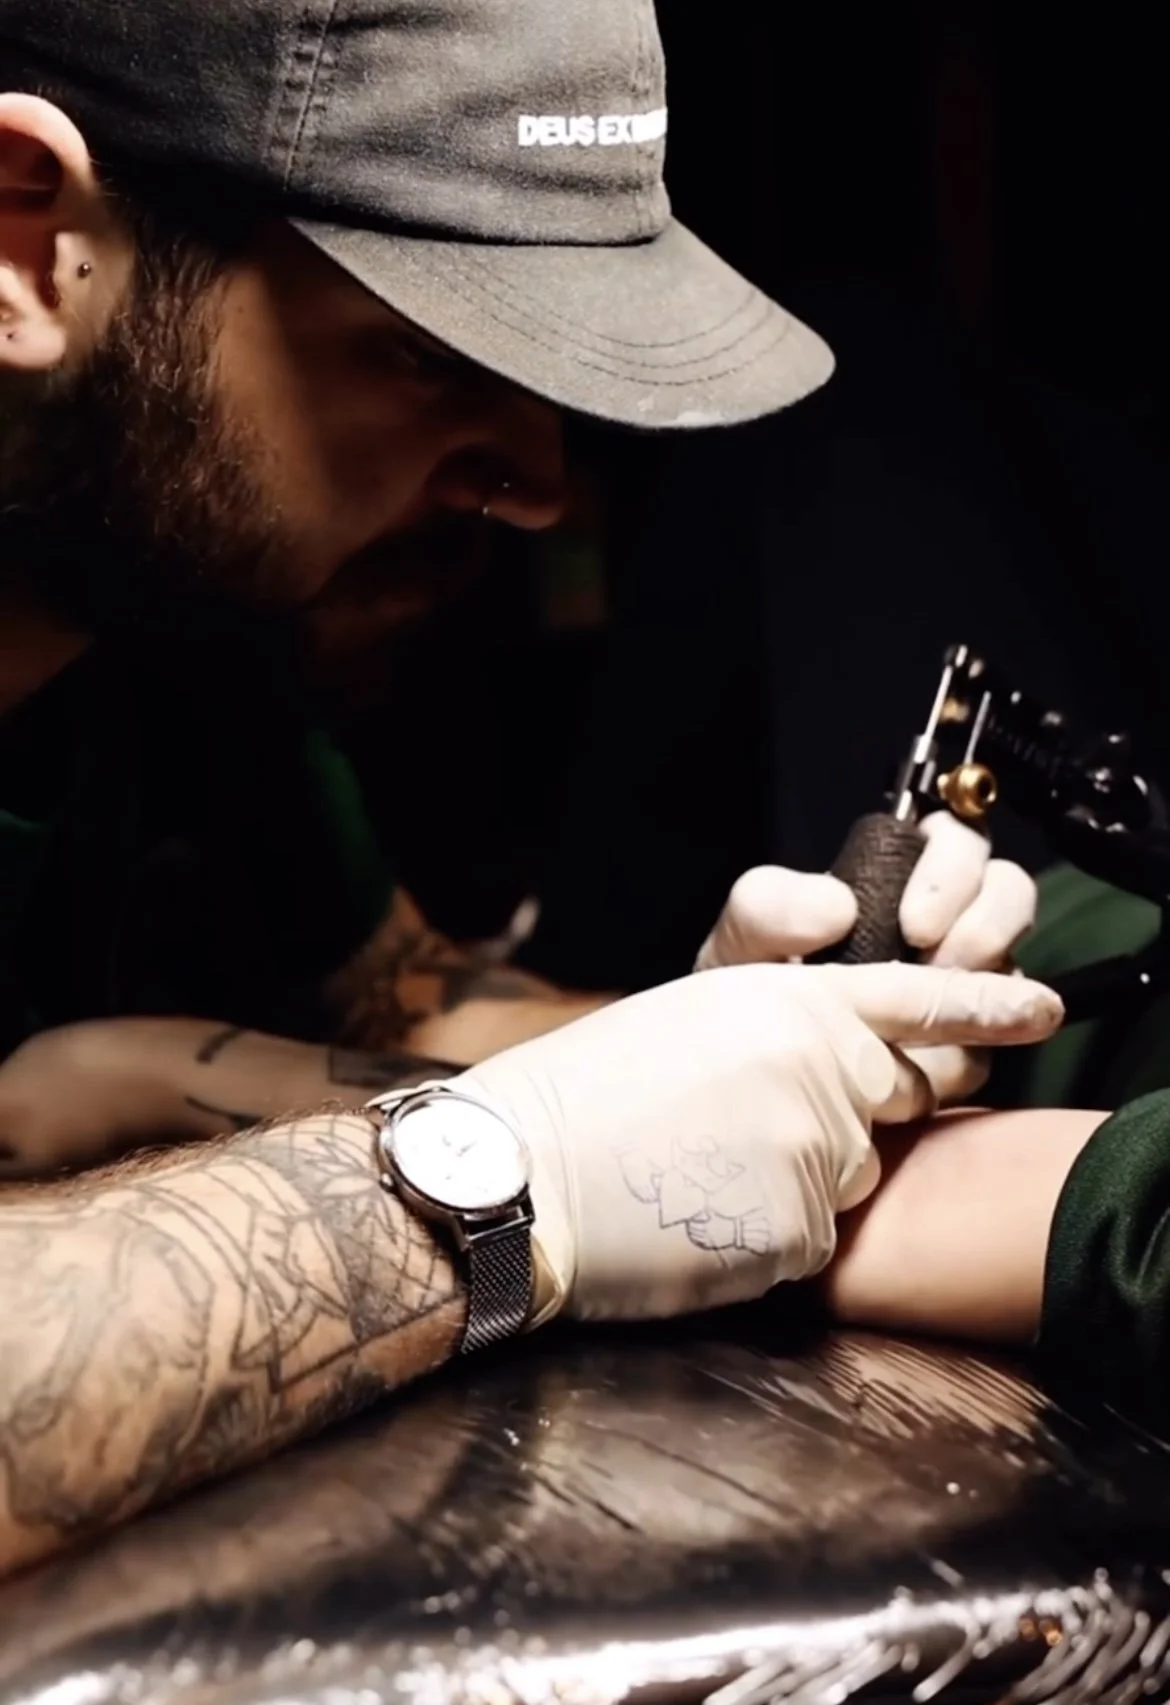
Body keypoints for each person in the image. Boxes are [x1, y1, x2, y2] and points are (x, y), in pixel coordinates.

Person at [0, 0, 1085, 1580]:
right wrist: (503, 1182)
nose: (537, 487)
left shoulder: (178, 660)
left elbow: (419, 1009)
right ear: (27, 241)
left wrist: (740, 1029)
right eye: (430, 356)